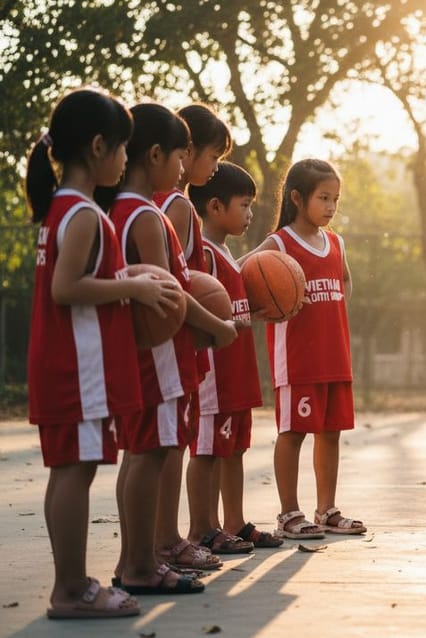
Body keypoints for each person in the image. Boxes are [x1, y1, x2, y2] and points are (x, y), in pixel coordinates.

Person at [25, 88, 181, 618]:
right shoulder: (86, 213)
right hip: (78, 366)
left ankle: (71, 585)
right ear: (97, 148)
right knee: (75, 471)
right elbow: (66, 290)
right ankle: (72, 590)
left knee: (69, 470)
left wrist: (121, 277)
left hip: (64, 363)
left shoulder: (63, 209)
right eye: (121, 149)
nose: (124, 160)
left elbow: (75, 282)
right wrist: (132, 289)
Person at [107, 103, 236, 594]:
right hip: (160, 354)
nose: (184, 168)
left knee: (141, 455)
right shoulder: (145, 216)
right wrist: (218, 327)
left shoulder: (124, 211)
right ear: (155, 154)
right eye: (181, 156)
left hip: (144, 352)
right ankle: (143, 563)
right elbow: (171, 294)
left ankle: (132, 560)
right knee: (151, 453)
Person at [244, 159, 364, 539]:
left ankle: (326, 509)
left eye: (335, 199)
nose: (331, 207)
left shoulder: (336, 242)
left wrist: (331, 302)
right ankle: (288, 513)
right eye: (323, 198)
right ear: (297, 198)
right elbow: (238, 272)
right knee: (293, 432)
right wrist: (266, 303)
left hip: (334, 356)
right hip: (297, 360)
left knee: (331, 433)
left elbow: (343, 281)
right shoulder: (278, 244)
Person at [167, 104, 251, 555]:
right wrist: (217, 324)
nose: (214, 166)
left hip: (203, 351)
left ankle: (192, 532)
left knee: (186, 448)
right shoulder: (176, 207)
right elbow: (177, 285)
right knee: (178, 450)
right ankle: (189, 533)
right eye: (212, 156)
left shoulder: (172, 206)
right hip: (189, 351)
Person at [188, 162, 284, 549]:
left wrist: (255, 313)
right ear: (214, 206)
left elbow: (232, 311)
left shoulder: (227, 252)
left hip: (238, 371)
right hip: (215, 373)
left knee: (235, 448)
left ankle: (234, 521)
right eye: (244, 206)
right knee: (208, 450)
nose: (249, 214)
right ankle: (204, 528)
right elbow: (203, 308)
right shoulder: (204, 253)